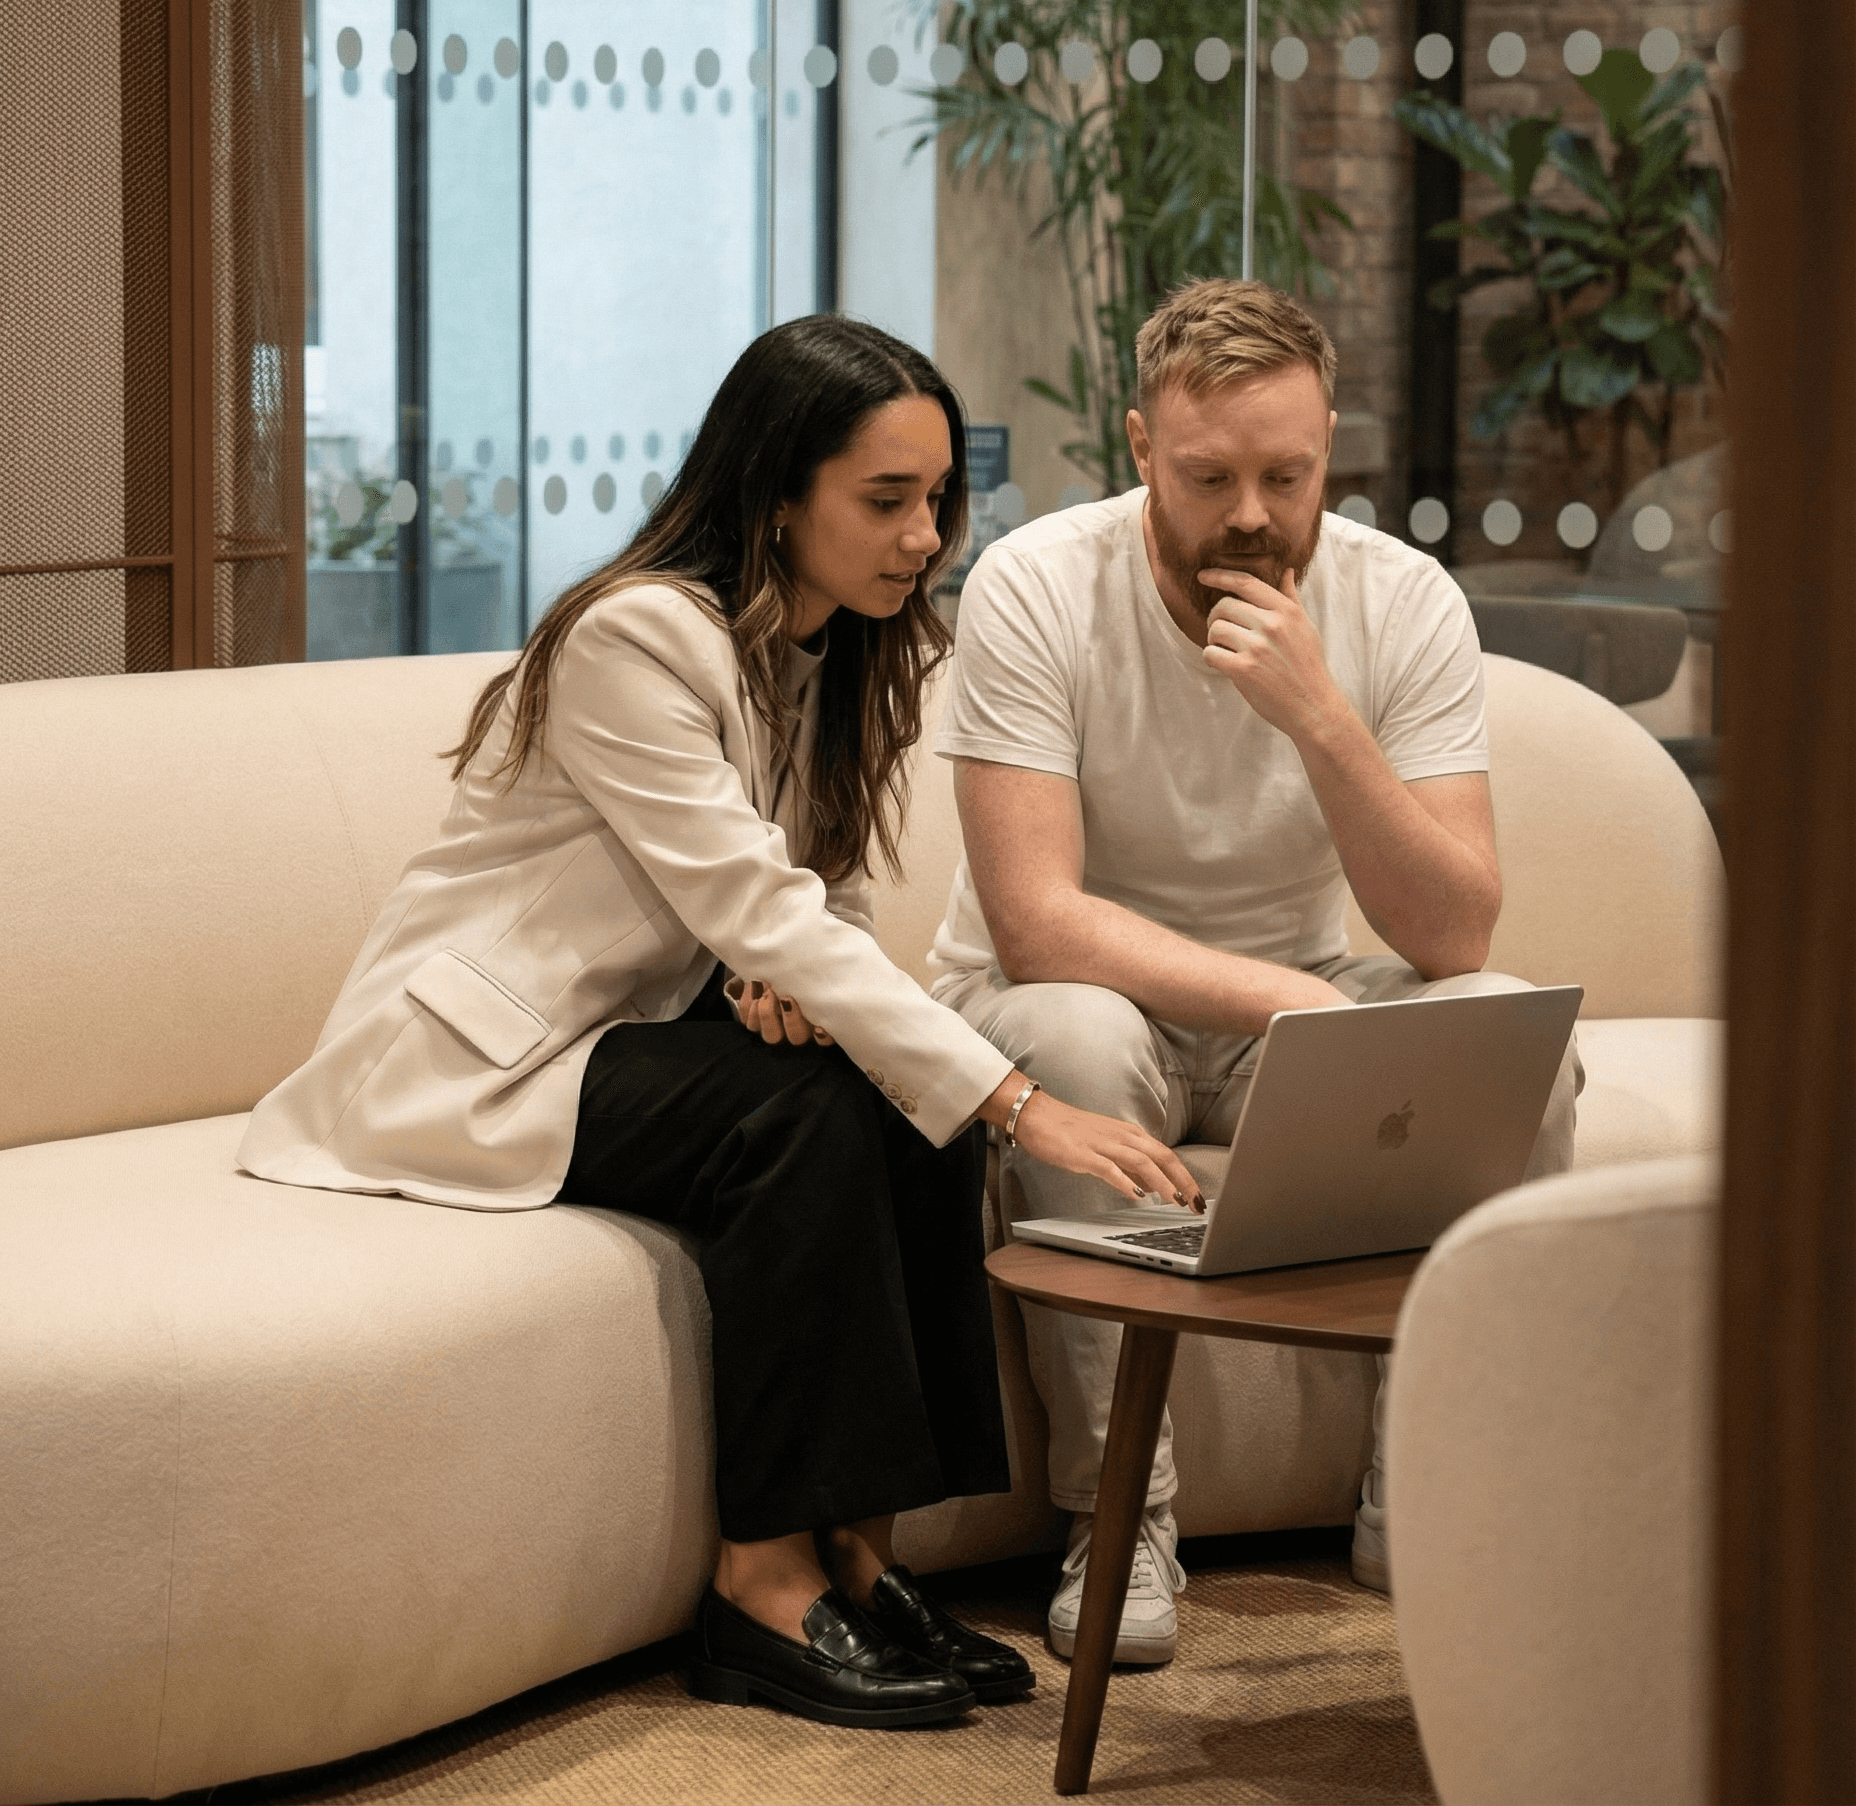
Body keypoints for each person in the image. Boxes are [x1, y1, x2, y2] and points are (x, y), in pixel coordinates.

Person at [238, 316, 1202, 1731]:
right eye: (885, 501)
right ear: (774, 495)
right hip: (478, 1060)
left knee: (888, 1083)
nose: (923, 535)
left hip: (626, 1039)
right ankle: (760, 1584)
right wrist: (1017, 1098)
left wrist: (789, 985)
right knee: (835, 1101)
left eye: (937, 500)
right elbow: (762, 907)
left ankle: (862, 1557)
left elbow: (823, 916)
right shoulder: (637, 637)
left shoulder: (833, 656)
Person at [929, 279, 1581, 1663]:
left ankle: (1423, 1486)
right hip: (1086, 1011)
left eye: (1285, 476)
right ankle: (1122, 1516)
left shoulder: (1399, 599)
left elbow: (1453, 935)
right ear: (1140, 449)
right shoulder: (1039, 584)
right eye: (1209, 475)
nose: (1250, 515)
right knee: (1080, 1037)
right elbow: (1038, 922)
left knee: (1511, 1035)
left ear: (1330, 448)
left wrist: (1322, 721)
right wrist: (1303, 1003)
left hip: (1297, 1001)